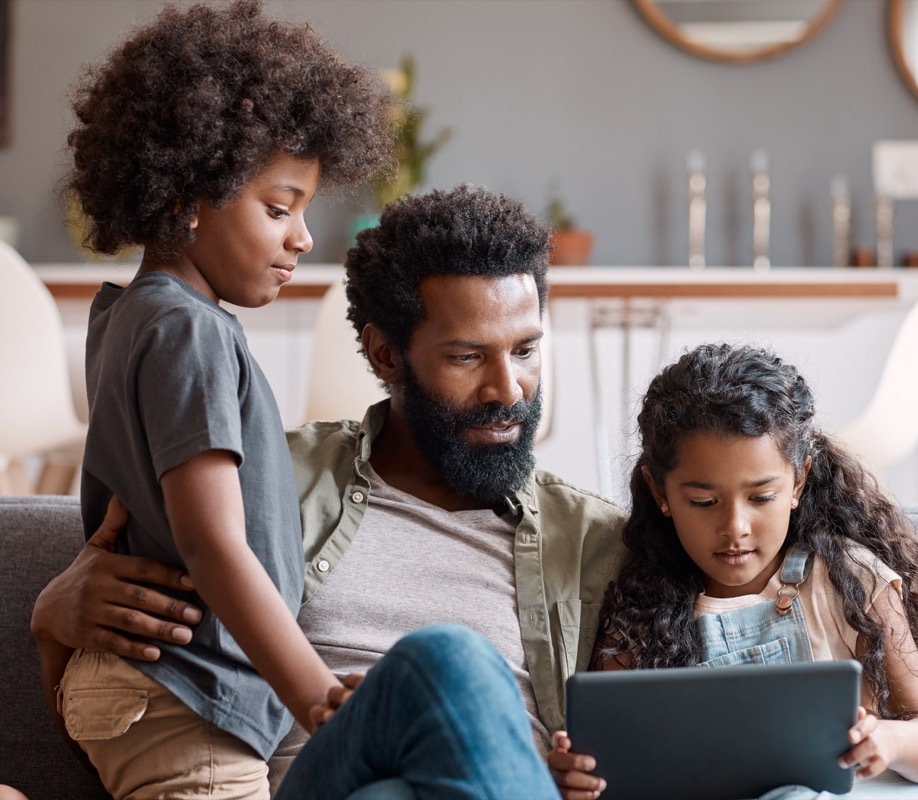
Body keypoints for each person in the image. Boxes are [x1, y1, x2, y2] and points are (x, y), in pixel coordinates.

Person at [31, 185, 626, 798]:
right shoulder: (258, 483)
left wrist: (556, 772)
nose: (508, 389)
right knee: (452, 661)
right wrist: (52, 627)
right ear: (385, 354)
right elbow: (141, 734)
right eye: (468, 356)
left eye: (526, 351)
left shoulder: (596, 540)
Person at [47, 2, 394, 795]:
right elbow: (213, 544)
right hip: (181, 697)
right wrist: (318, 697)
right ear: (182, 199)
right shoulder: (187, 331)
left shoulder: (130, 316)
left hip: (178, 694)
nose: (302, 238)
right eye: (278, 208)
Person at [548, 343, 918, 800]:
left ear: (798, 481)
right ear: (660, 492)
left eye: (760, 497)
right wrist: (578, 772)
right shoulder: (642, 606)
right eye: (704, 502)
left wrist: (888, 741)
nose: (734, 527)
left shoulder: (848, 579)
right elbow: (615, 761)